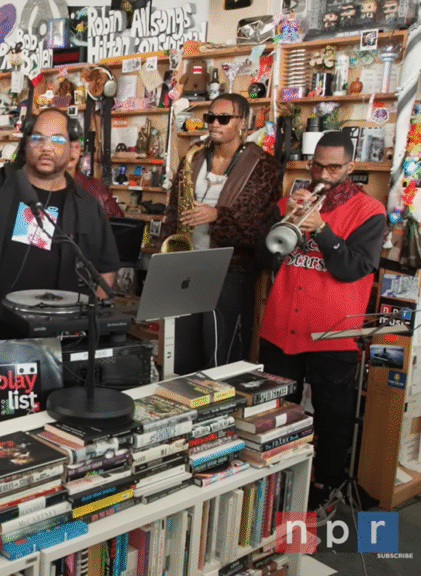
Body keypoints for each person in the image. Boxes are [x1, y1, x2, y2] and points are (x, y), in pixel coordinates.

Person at [257, 130, 386, 518]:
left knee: (333, 416)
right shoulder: (289, 201)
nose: (324, 175)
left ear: (350, 167)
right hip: (281, 326)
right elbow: (266, 260)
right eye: (317, 165)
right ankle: (273, 484)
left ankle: (324, 487)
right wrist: (285, 220)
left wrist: (323, 230)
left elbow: (353, 268)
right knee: (277, 411)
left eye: (334, 167)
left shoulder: (370, 211)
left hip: (333, 332)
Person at [0, 107, 120, 323]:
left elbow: (106, 269)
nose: (46, 147)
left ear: (73, 150)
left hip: (56, 329)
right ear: (26, 143)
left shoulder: (87, 206)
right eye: (37, 138)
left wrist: (89, 323)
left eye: (57, 140)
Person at [161, 93, 281, 373]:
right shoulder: (193, 157)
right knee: (181, 353)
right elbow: (174, 210)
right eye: (210, 117)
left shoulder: (263, 166)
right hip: (187, 266)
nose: (214, 124)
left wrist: (217, 216)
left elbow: (258, 228)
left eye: (223, 118)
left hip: (231, 272)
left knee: (220, 354)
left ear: (243, 123)